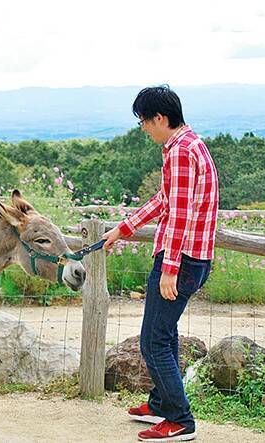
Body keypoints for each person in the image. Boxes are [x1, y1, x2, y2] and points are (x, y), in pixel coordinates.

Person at [102, 86, 219, 442]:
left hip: (181, 261)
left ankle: (181, 420)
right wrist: (124, 228)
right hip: (191, 257)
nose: (142, 128)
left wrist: (170, 267)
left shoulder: (181, 153)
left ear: (160, 118)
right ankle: (160, 403)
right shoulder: (188, 145)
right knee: (163, 335)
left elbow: (180, 215)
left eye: (143, 120)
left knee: (153, 341)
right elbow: (165, 200)